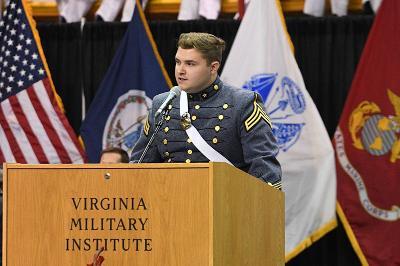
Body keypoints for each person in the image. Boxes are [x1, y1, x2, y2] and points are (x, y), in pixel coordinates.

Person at [130, 32, 281, 189]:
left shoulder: (244, 104)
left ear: (213, 67)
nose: (180, 71)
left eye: (190, 64)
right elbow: (140, 165)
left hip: (225, 203)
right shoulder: (162, 103)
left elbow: (265, 171)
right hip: (170, 203)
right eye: (178, 62)